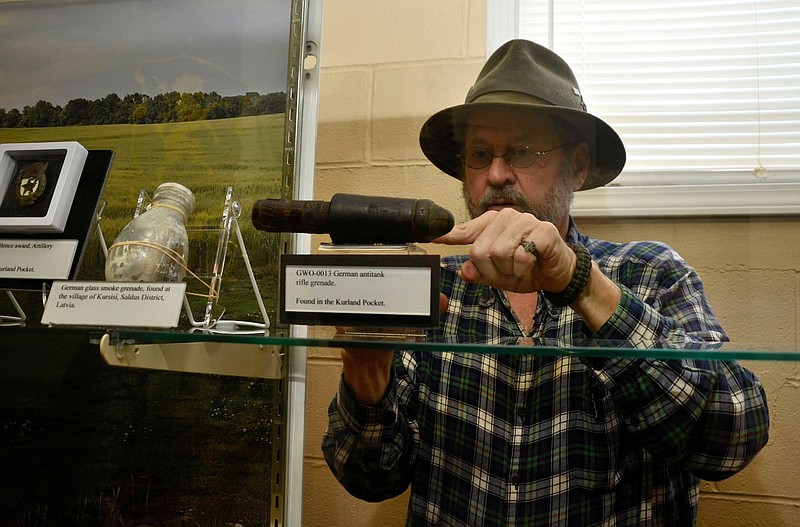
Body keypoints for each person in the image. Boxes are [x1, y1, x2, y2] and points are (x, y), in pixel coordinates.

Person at [322, 39, 769, 526]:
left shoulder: (650, 273)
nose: (495, 174)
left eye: (523, 151)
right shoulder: (435, 289)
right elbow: (371, 478)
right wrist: (365, 369)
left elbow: (732, 439)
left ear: (576, 167)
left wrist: (579, 283)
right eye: (479, 153)